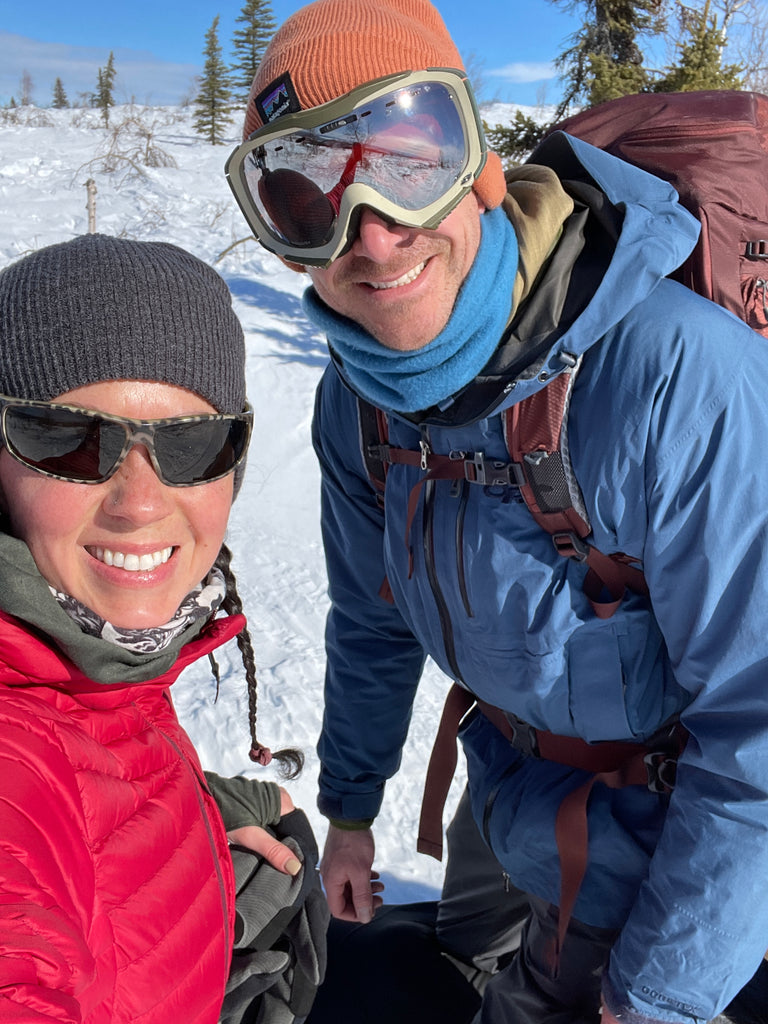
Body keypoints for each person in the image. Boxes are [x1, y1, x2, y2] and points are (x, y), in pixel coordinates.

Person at [225, 0, 768, 1021]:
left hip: (657, 836)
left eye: (404, 159)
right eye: (307, 196)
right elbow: (375, 616)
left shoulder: (674, 375)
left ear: (476, 161)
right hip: (507, 774)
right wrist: (350, 810)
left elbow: (760, 736)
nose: (372, 234)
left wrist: (652, 1001)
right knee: (448, 959)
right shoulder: (362, 401)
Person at [0, 234, 325, 1023]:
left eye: (192, 442)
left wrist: (188, 847)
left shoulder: (98, 674)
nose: (139, 502)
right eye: (70, 440)